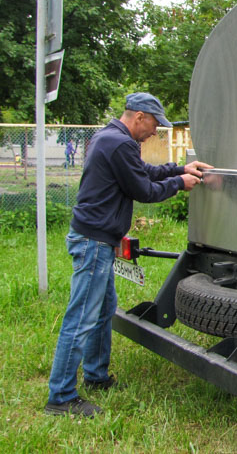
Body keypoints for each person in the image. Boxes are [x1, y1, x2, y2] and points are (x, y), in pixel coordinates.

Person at [45, 92, 212, 418]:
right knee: (81, 318)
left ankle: (96, 376)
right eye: (153, 124)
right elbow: (143, 190)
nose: (154, 131)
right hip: (94, 242)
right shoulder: (119, 143)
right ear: (138, 116)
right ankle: (61, 397)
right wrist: (180, 182)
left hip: (95, 238)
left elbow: (141, 172)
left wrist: (180, 167)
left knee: (104, 309)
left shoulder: (110, 138)